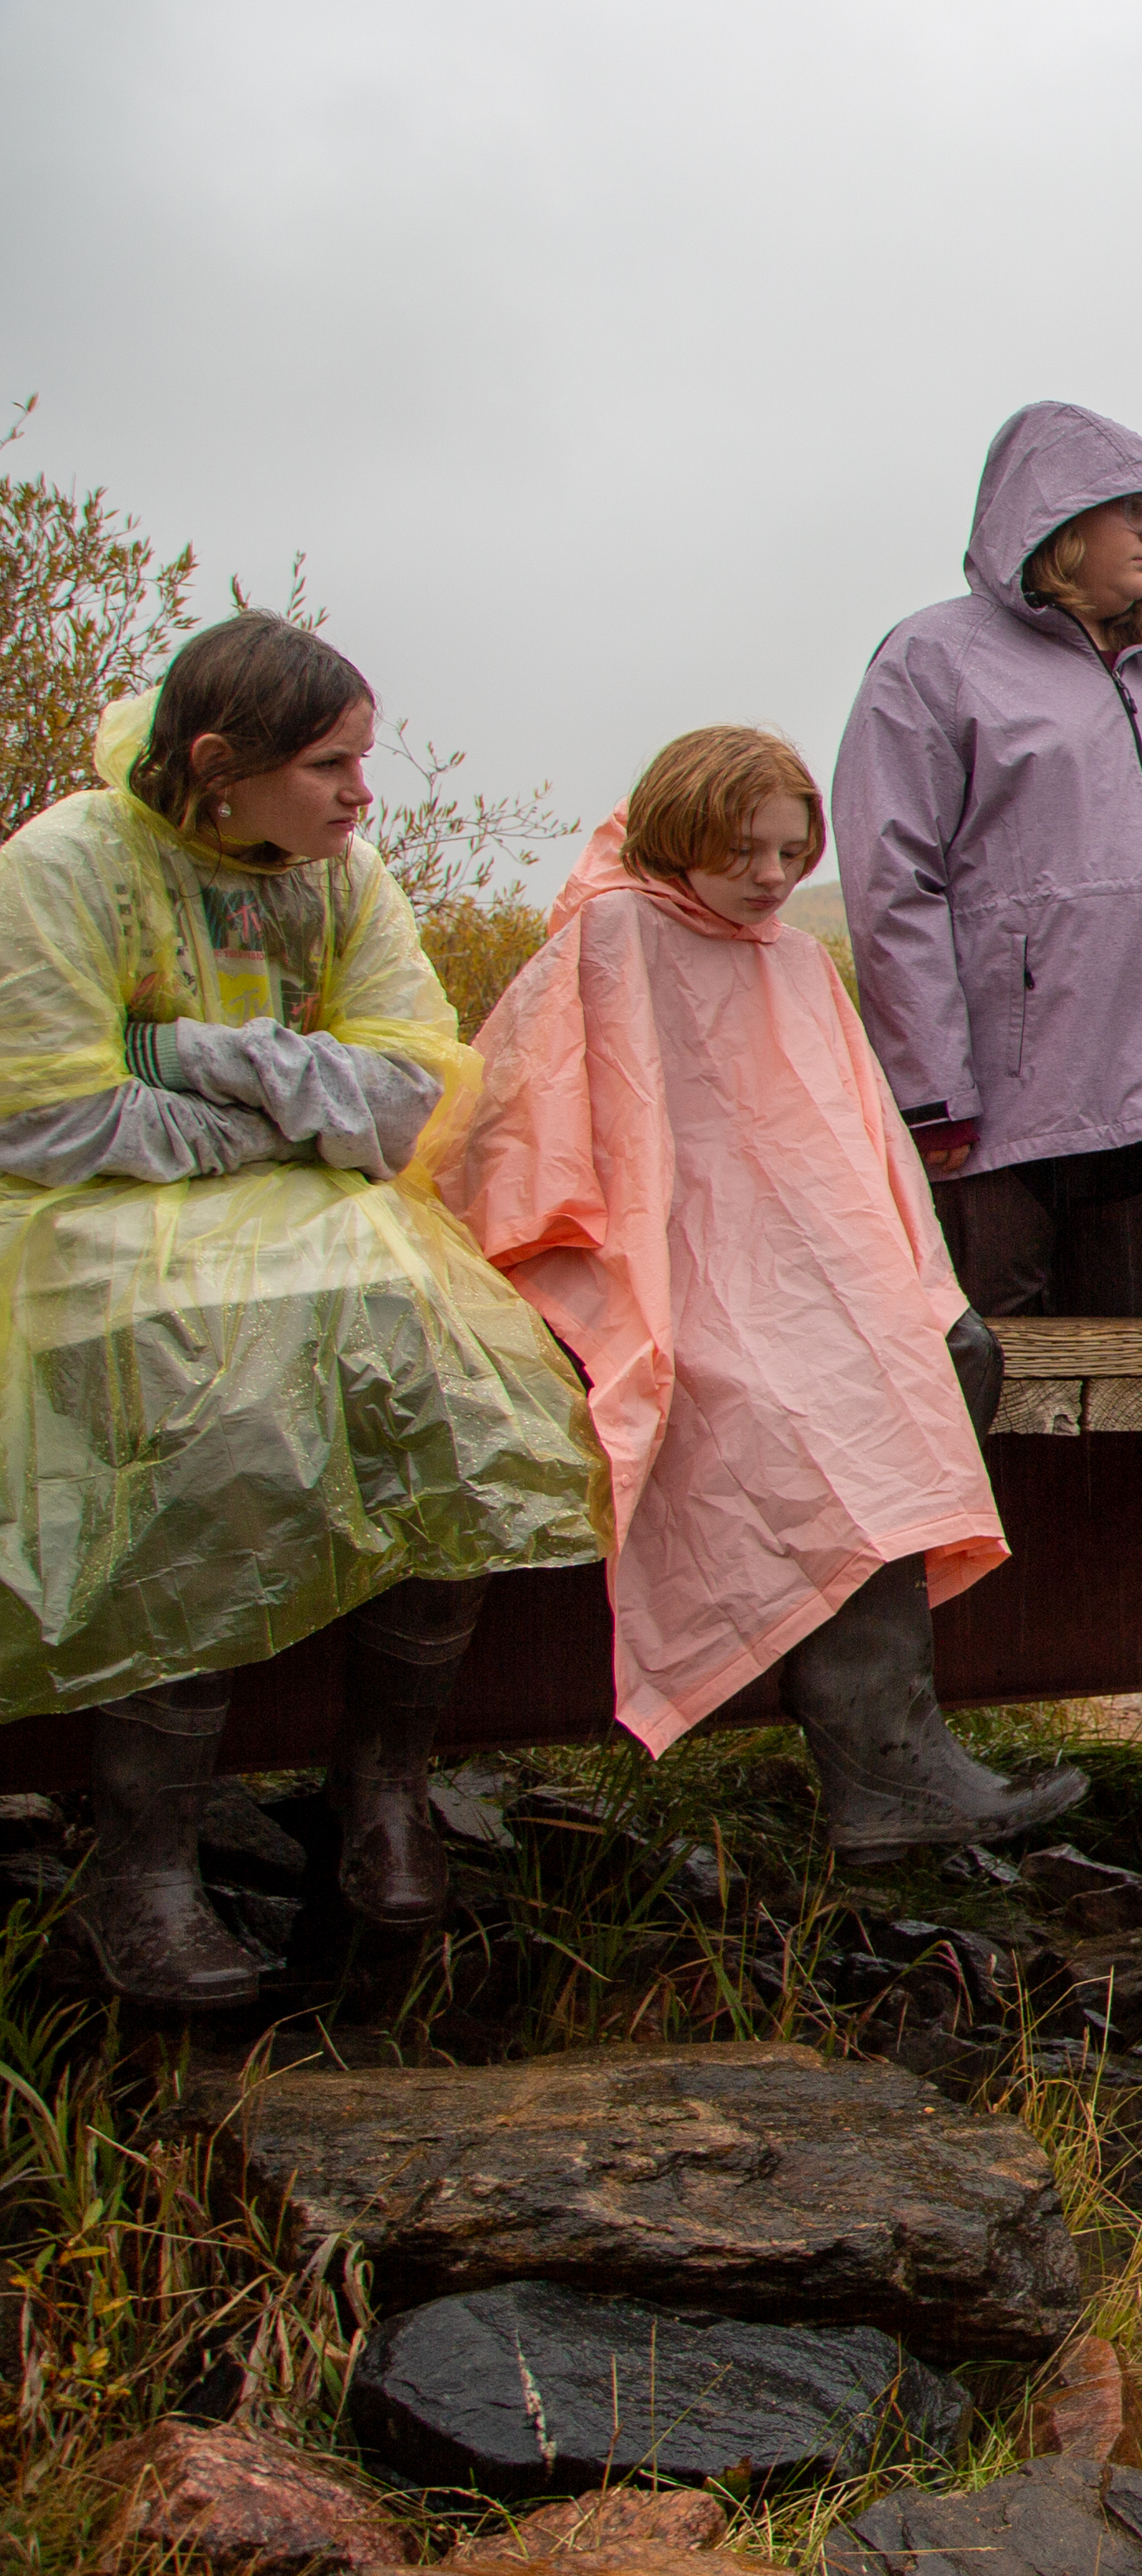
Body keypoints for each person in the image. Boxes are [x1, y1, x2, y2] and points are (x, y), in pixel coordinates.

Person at [1, 617, 602, 2007]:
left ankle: (381, 1785)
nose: (359, 794)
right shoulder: (67, 867)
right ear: (220, 764)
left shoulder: (349, 876)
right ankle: (142, 1870)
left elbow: (407, 1095)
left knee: (452, 1371)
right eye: (329, 764)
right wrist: (287, 1112)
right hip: (89, 1230)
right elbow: (50, 1113)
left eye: (363, 761)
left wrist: (200, 1053)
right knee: (201, 1400)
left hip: (319, 1215)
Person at [444, 727, 1087, 1858]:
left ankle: (885, 1749)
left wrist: (902, 1286)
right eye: (744, 850)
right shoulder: (610, 936)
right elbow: (526, 1138)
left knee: (947, 1350)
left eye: (793, 853)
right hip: (646, 1266)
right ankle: (881, 1759)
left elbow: (849, 1154)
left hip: (787, 1270)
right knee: (781, 1390)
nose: (771, 878)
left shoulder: (792, 958)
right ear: (678, 828)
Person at [834, 401, 1142, 1320]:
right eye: (1133, 507)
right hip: (1000, 1119)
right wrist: (930, 1091)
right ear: (1056, 516)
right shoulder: (932, 660)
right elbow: (893, 882)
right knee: (997, 1403)